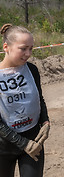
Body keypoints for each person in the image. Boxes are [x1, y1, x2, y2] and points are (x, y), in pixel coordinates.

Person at [0, 24, 50, 177]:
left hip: (33, 142)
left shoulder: (32, 70)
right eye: (23, 48)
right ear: (6, 47)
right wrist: (23, 143)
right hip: (4, 147)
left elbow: (39, 99)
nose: (28, 53)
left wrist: (46, 122)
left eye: (31, 48)